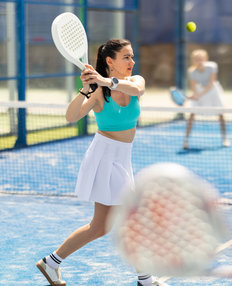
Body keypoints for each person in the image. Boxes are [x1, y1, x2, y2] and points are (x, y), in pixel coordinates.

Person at [35, 39, 168, 286]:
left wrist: (106, 81)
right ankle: (145, 279)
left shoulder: (135, 81)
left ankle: (51, 263)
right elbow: (70, 116)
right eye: (126, 57)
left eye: (132, 56)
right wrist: (85, 88)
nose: (132, 62)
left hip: (122, 158)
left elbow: (137, 90)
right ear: (110, 61)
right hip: (105, 158)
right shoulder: (97, 93)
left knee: (99, 227)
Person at [183, 49, 230, 149]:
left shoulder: (212, 66)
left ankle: (225, 138)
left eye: (201, 59)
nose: (199, 61)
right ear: (193, 61)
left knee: (221, 114)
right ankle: (186, 141)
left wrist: (198, 95)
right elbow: (194, 87)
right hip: (200, 91)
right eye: (196, 59)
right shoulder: (191, 72)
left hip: (213, 91)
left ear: (205, 59)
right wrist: (195, 94)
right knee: (191, 114)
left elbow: (211, 84)